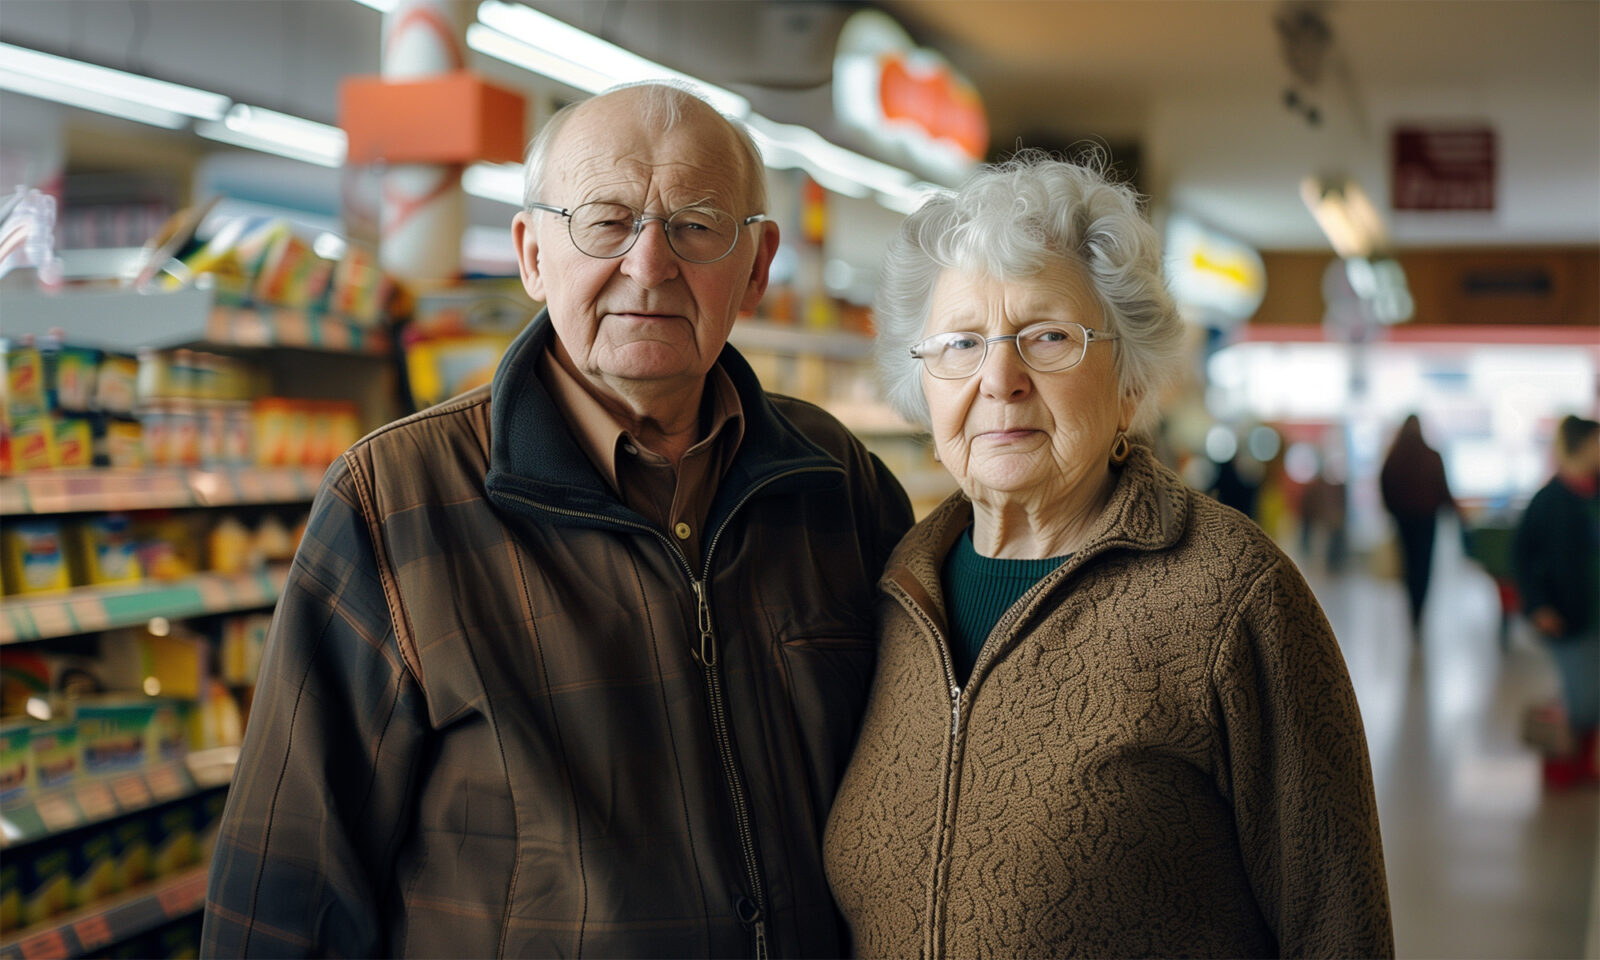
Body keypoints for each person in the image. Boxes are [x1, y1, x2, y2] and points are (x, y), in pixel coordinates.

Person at [202, 83, 913, 958]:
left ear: (757, 267)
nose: (650, 266)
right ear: (533, 255)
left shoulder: (836, 482)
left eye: (695, 226)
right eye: (606, 222)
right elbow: (286, 895)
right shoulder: (394, 502)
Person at [822, 153, 1393, 958]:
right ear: (923, 385)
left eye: (1046, 336)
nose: (999, 378)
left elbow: (1339, 929)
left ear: (1128, 379)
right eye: (960, 343)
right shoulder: (891, 590)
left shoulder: (1231, 595)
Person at [1513, 415, 1600, 786]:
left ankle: (1581, 765)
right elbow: (1521, 557)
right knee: (1583, 701)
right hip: (1569, 616)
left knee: (1590, 692)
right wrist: (1538, 606)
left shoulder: (1594, 493)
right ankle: (1564, 754)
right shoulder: (1549, 500)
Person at [1379, 413, 1457, 634]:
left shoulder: (1394, 456)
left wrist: (1393, 510)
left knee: (1408, 564)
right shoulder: (1431, 456)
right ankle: (1419, 610)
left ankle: (1411, 609)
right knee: (1423, 566)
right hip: (1426, 519)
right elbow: (1442, 487)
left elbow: (1385, 484)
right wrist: (1452, 511)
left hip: (1404, 519)